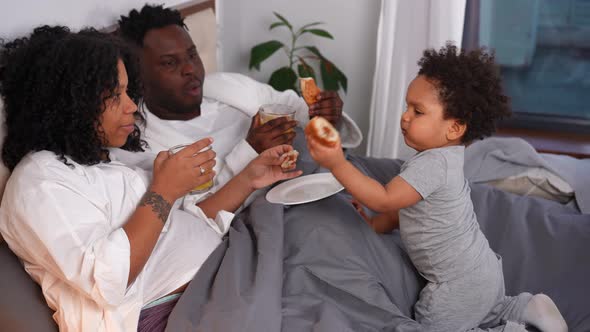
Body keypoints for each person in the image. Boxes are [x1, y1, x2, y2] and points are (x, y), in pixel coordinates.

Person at [0, 26, 301, 332]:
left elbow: (183, 224)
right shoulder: (39, 183)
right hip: (179, 309)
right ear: (70, 103)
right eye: (115, 96)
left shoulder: (106, 161)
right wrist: (164, 190)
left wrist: (250, 177)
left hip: (222, 267)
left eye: (128, 91)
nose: (131, 106)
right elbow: (107, 281)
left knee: (319, 239)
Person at [306, 44, 568, 332]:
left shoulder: (431, 166)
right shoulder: (444, 159)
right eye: (406, 106)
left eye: (417, 111)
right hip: (482, 269)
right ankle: (526, 307)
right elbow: (400, 211)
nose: (405, 116)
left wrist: (337, 163)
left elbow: (384, 199)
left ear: (454, 128)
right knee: (488, 309)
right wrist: (372, 226)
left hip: (457, 282)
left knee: (432, 326)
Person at [116, 4, 362, 205]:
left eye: (192, 55)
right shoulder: (143, 144)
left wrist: (325, 115)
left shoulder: (226, 87)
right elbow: (194, 215)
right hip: (264, 216)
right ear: (137, 76)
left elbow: (293, 107)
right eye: (170, 63)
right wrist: (250, 151)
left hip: (316, 181)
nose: (190, 69)